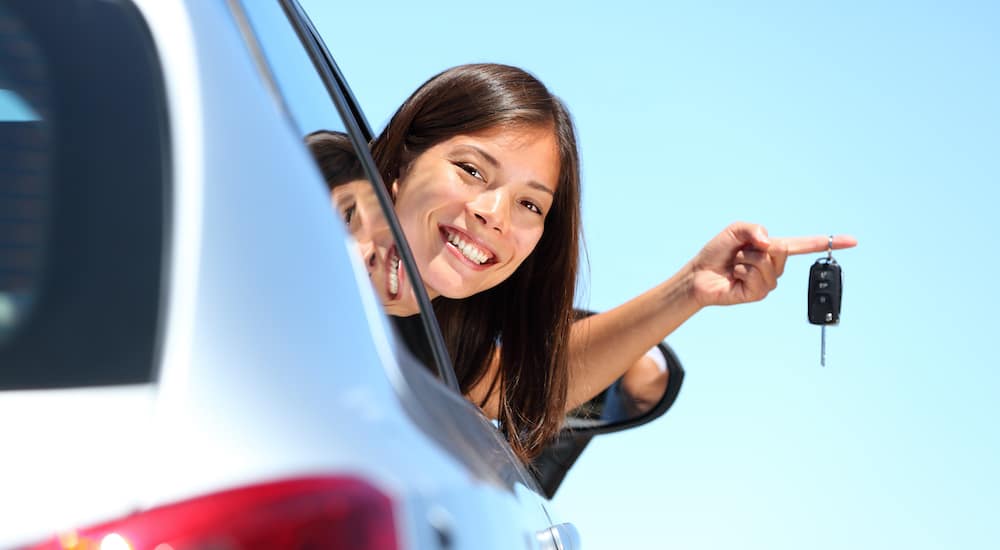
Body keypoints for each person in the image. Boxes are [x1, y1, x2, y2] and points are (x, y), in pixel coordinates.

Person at [319, 64, 857, 460]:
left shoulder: (439, 345)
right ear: (398, 163)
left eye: (530, 204)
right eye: (472, 170)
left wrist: (692, 287)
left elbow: (528, 388)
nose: (494, 214)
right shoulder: (311, 182)